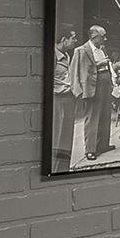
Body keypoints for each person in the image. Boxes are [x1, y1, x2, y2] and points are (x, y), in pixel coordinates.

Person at [68, 25, 114, 162]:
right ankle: (90, 150)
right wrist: (78, 92)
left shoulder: (102, 48)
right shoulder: (81, 51)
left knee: (105, 115)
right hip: (92, 88)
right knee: (92, 118)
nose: (105, 39)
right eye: (103, 36)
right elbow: (73, 72)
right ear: (94, 37)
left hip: (105, 85)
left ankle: (103, 144)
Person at [49, 29, 78, 169]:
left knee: (66, 139)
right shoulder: (53, 56)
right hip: (58, 100)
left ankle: (63, 170)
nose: (75, 41)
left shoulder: (66, 55)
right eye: (73, 38)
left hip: (68, 99)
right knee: (58, 139)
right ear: (63, 39)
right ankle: (55, 170)